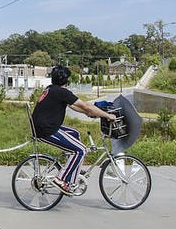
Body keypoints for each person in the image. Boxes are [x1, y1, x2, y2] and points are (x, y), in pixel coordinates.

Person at [31, 65, 117, 196]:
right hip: (46, 130)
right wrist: (107, 115)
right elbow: (86, 105)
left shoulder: (51, 89)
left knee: (75, 134)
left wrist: (89, 113)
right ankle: (61, 179)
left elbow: (74, 106)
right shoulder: (61, 92)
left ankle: (72, 166)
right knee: (81, 150)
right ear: (66, 80)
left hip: (44, 126)